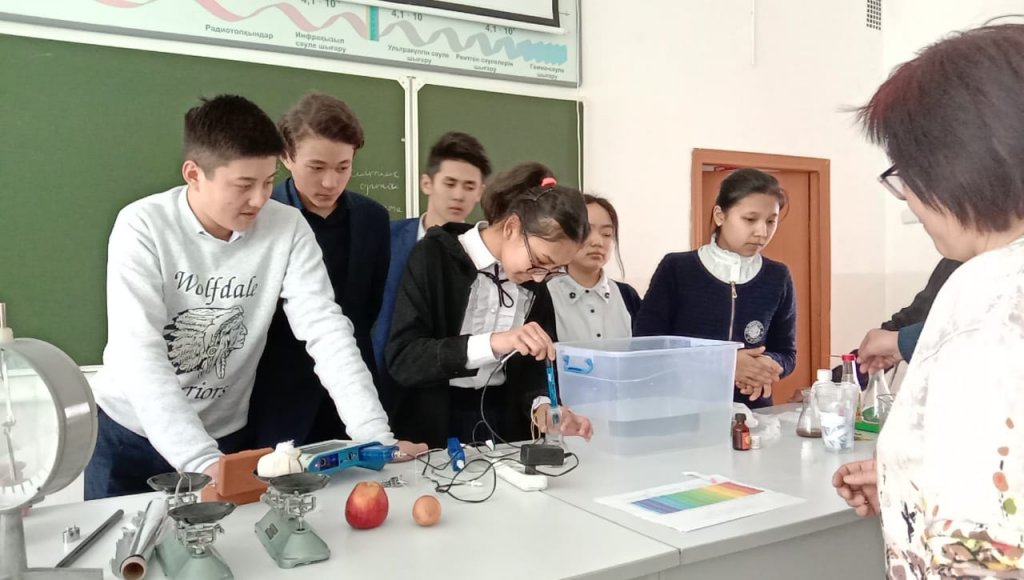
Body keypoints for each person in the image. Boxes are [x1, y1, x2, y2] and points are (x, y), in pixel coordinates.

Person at [85, 95, 421, 500]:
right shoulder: (143, 225)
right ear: (194, 174)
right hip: (129, 434)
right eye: (244, 185)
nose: (260, 199)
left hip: (226, 434)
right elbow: (140, 353)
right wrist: (200, 460)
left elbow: (326, 330)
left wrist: (375, 437)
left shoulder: (287, 226)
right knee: (121, 539)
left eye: (266, 181)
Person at [833, 24, 1024, 576]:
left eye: (906, 175)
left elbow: (989, 553)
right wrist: (910, 482)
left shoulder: (987, 292)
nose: (909, 201)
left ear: (956, 162)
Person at [385, 162, 594, 448]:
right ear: (512, 227)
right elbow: (405, 359)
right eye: (540, 261)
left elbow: (534, 369)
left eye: (554, 270)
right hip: (430, 428)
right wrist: (495, 342)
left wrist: (543, 408)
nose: (540, 277)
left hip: (503, 428)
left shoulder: (534, 281)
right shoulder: (435, 257)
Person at [247, 92, 390, 447]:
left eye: (343, 167)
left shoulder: (373, 218)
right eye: (316, 167)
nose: (330, 182)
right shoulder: (259, 216)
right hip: (274, 399)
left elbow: (368, 307)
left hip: (352, 397)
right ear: (286, 156)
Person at [633, 168, 796, 408]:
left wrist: (766, 364)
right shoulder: (677, 268)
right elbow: (647, 345)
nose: (762, 232)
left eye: (771, 221)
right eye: (750, 219)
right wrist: (726, 364)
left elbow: (786, 352)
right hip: (682, 409)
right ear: (720, 216)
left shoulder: (778, 276)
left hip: (752, 413)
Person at [372, 132, 491, 411]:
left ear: (480, 192)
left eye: (469, 186)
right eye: (449, 183)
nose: (458, 195)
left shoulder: (482, 256)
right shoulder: (384, 238)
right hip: (379, 385)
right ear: (427, 183)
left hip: (442, 398)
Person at [549, 194, 641, 342]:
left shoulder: (627, 296)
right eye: (586, 230)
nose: (598, 242)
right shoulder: (544, 296)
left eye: (606, 234)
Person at [856, 258, 961, 373]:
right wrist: (860, 362)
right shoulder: (952, 261)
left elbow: (968, 332)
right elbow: (915, 315)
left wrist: (900, 341)